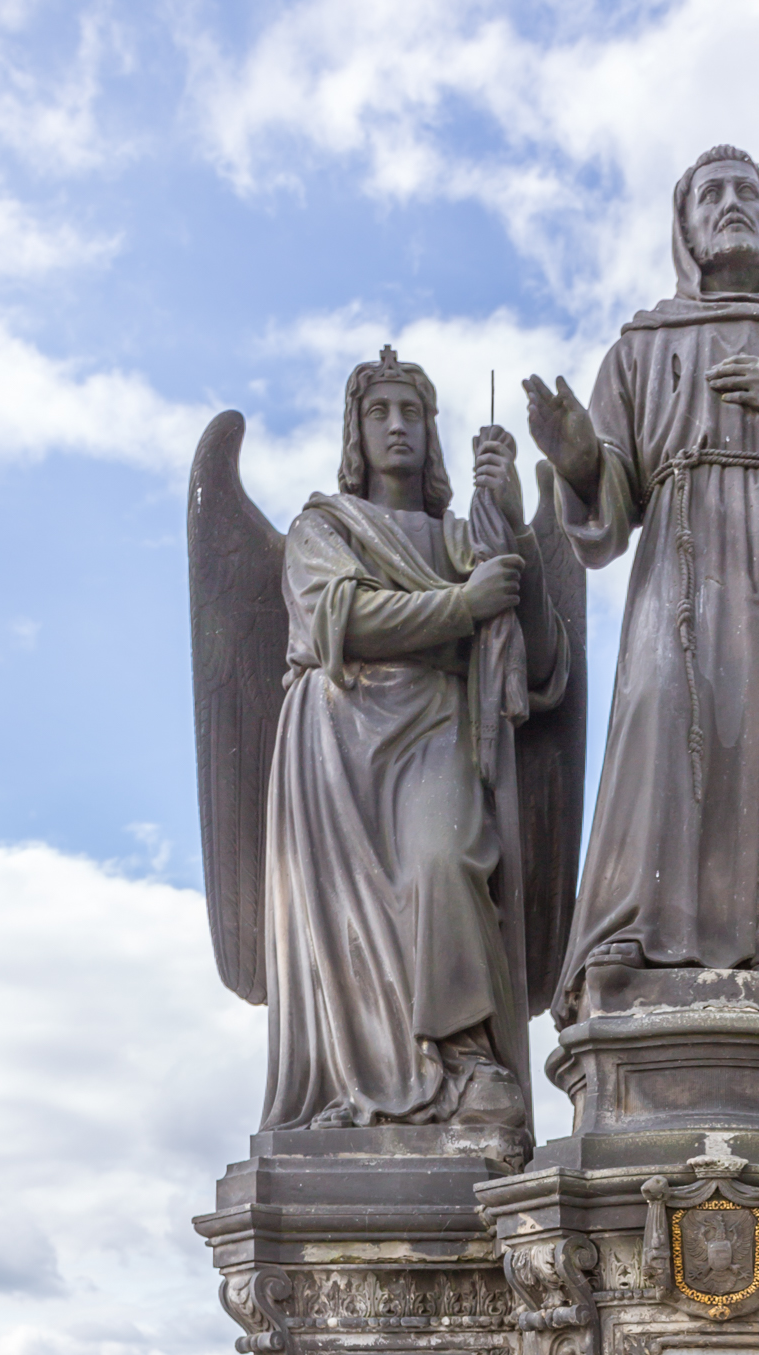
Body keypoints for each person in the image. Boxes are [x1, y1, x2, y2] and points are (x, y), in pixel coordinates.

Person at [525, 145, 759, 1020]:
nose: (733, 205)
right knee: (665, 724)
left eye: (749, 192)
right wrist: (579, 457)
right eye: (713, 195)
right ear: (683, 228)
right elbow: (607, 513)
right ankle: (639, 935)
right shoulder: (643, 346)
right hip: (685, 559)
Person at [263, 348, 573, 1143]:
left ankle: (466, 1060)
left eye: (413, 413)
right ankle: (363, 1071)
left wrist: (513, 532)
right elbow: (342, 621)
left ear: (433, 432)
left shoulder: (463, 537)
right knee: (353, 926)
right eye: (380, 413)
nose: (397, 427)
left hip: (436, 726)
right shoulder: (322, 528)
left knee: (443, 864)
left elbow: (535, 668)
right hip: (338, 742)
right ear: (356, 431)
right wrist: (460, 607)